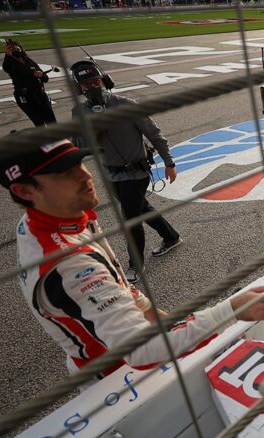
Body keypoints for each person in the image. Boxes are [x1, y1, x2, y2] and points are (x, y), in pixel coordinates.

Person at [0, 140, 264, 381]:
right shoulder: (69, 265)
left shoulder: (51, 215)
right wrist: (231, 310)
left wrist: (153, 312)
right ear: (23, 190)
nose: (85, 176)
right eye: (63, 173)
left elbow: (116, 285)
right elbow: (143, 351)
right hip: (117, 377)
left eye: (79, 164)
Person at [71, 60, 181, 283]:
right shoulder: (79, 112)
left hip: (136, 174)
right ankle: (171, 236)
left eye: (95, 81)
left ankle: (135, 265)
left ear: (105, 81)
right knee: (142, 208)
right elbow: (79, 145)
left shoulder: (126, 105)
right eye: (86, 84)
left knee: (131, 219)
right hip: (111, 174)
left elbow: (155, 134)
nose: (92, 87)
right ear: (79, 88)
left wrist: (169, 162)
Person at [2, 39, 56, 126]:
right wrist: (7, 55)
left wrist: (41, 75)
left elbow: (45, 79)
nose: (16, 51)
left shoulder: (30, 62)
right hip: (25, 97)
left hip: (40, 94)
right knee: (39, 122)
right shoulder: (10, 63)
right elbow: (6, 68)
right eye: (13, 50)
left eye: (18, 49)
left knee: (51, 121)